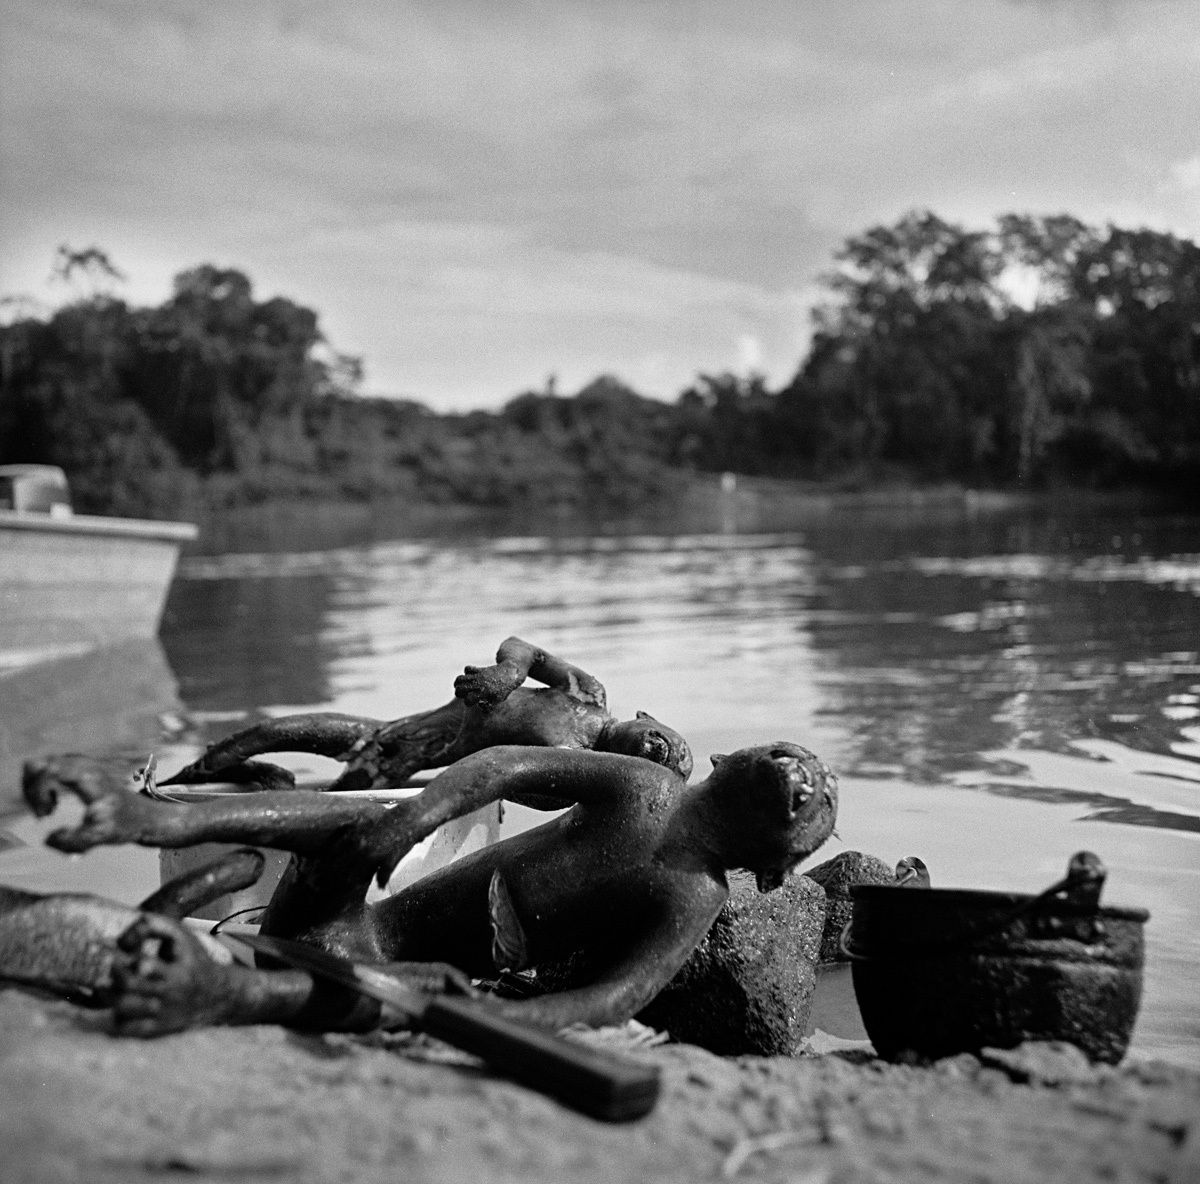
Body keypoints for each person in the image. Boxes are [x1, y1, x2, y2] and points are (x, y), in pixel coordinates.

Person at [23, 739, 837, 1036]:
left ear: (772, 872)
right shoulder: (645, 786)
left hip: (380, 970)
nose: (817, 780)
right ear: (729, 756)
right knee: (340, 823)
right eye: (802, 760)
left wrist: (507, 1014)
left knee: (408, 1000)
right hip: (341, 914)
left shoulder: (693, 896)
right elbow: (500, 766)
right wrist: (412, 818)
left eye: (823, 803)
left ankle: (218, 995)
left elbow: (616, 997)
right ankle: (151, 819)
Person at [160, 636, 693, 795]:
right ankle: (179, 783)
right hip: (389, 731)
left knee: (318, 807)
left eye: (661, 763)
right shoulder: (585, 692)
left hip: (403, 762)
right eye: (664, 742)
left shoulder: (573, 778)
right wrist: (506, 674)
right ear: (649, 716)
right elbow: (521, 646)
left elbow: (495, 784)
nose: (653, 750)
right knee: (273, 730)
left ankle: (256, 788)